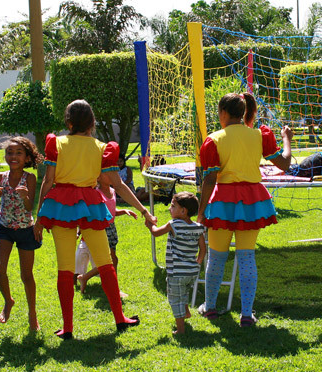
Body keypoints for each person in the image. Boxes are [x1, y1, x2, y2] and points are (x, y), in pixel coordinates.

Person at [33, 99, 157, 339]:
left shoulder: (56, 143)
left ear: (68, 122)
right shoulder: (102, 148)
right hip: (91, 205)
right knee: (105, 263)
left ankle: (68, 328)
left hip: (60, 206)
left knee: (65, 268)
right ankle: (120, 319)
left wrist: (40, 217)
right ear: (92, 122)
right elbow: (118, 185)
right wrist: (144, 211)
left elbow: (48, 182)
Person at [197, 92, 293, 327]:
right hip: (252, 201)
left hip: (223, 201)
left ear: (223, 113)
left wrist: (200, 213)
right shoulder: (260, 135)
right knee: (247, 256)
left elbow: (209, 180)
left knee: (217, 258)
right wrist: (287, 138)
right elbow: (285, 163)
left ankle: (210, 308)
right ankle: (247, 314)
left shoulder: (214, 139)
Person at [0, 136, 44, 331]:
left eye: (18, 153)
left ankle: (32, 313)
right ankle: (8, 300)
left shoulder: (30, 178)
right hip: (4, 229)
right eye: (10, 153)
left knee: (26, 275)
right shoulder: (1, 176)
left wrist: (25, 196)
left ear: (27, 158)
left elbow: (30, 207)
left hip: (25, 230)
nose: (13, 156)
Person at [145, 191, 206, 335]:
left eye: (173, 206)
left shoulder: (173, 224)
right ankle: (185, 312)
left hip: (177, 272)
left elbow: (156, 232)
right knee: (183, 291)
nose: (169, 208)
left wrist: (150, 225)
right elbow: (203, 249)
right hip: (192, 271)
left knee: (174, 298)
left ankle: (180, 329)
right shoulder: (198, 227)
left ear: (183, 211)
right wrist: (198, 263)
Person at [75, 173, 138, 297]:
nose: (112, 175)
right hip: (102, 228)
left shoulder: (113, 191)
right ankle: (112, 288)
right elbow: (92, 212)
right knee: (111, 259)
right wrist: (79, 230)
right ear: (98, 178)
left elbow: (111, 211)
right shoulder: (97, 193)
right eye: (107, 174)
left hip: (112, 228)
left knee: (111, 260)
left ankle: (100, 282)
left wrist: (123, 211)